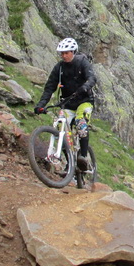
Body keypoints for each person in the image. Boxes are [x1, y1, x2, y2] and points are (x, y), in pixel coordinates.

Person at [34, 38, 96, 169]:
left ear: (73, 52)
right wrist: (41, 105)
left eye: (66, 53)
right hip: (67, 103)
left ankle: (83, 157)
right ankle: (70, 163)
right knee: (60, 130)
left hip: (84, 101)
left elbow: (92, 78)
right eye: (62, 53)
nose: (64, 55)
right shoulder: (59, 68)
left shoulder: (82, 62)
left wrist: (85, 87)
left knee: (81, 123)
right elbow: (49, 88)